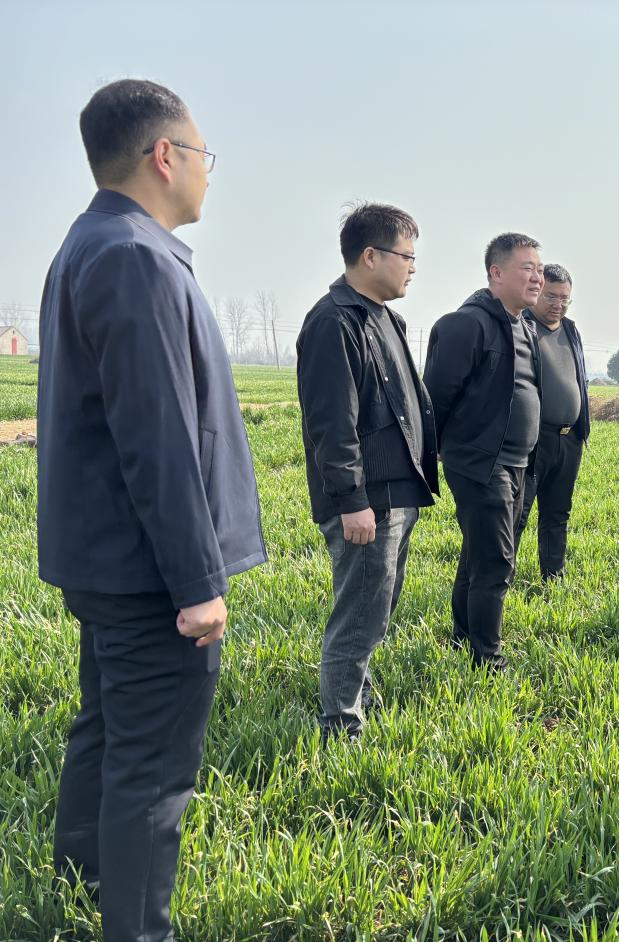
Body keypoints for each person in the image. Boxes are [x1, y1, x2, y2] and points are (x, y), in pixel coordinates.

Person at [38, 79, 266, 941]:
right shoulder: (133, 255)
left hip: (106, 560)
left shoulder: (92, 243)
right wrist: (198, 582)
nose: (209, 171)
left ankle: (80, 887)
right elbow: (158, 434)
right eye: (204, 154)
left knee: (105, 729)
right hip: (150, 575)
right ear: (164, 156)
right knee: (153, 768)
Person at [296, 203, 439, 740]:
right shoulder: (334, 321)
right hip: (368, 500)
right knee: (358, 614)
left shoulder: (384, 318)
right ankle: (340, 724)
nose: (413, 267)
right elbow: (332, 425)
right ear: (371, 255)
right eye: (407, 255)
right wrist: (351, 500)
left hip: (398, 493)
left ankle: (357, 693)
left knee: (377, 607)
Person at [423, 233, 544, 669]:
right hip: (481, 462)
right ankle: (487, 659)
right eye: (527, 268)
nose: (537, 277)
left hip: (519, 463)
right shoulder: (467, 325)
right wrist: (436, 451)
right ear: (496, 272)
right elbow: (435, 397)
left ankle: (463, 638)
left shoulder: (526, 325)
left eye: (540, 269)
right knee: (496, 560)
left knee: (478, 554)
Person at [515, 264, 591, 580]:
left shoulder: (571, 330)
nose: (558, 304)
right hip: (534, 440)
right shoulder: (521, 327)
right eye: (551, 296)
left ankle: (553, 576)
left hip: (569, 439)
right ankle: (500, 578)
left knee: (558, 512)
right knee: (517, 514)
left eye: (565, 298)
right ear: (537, 292)